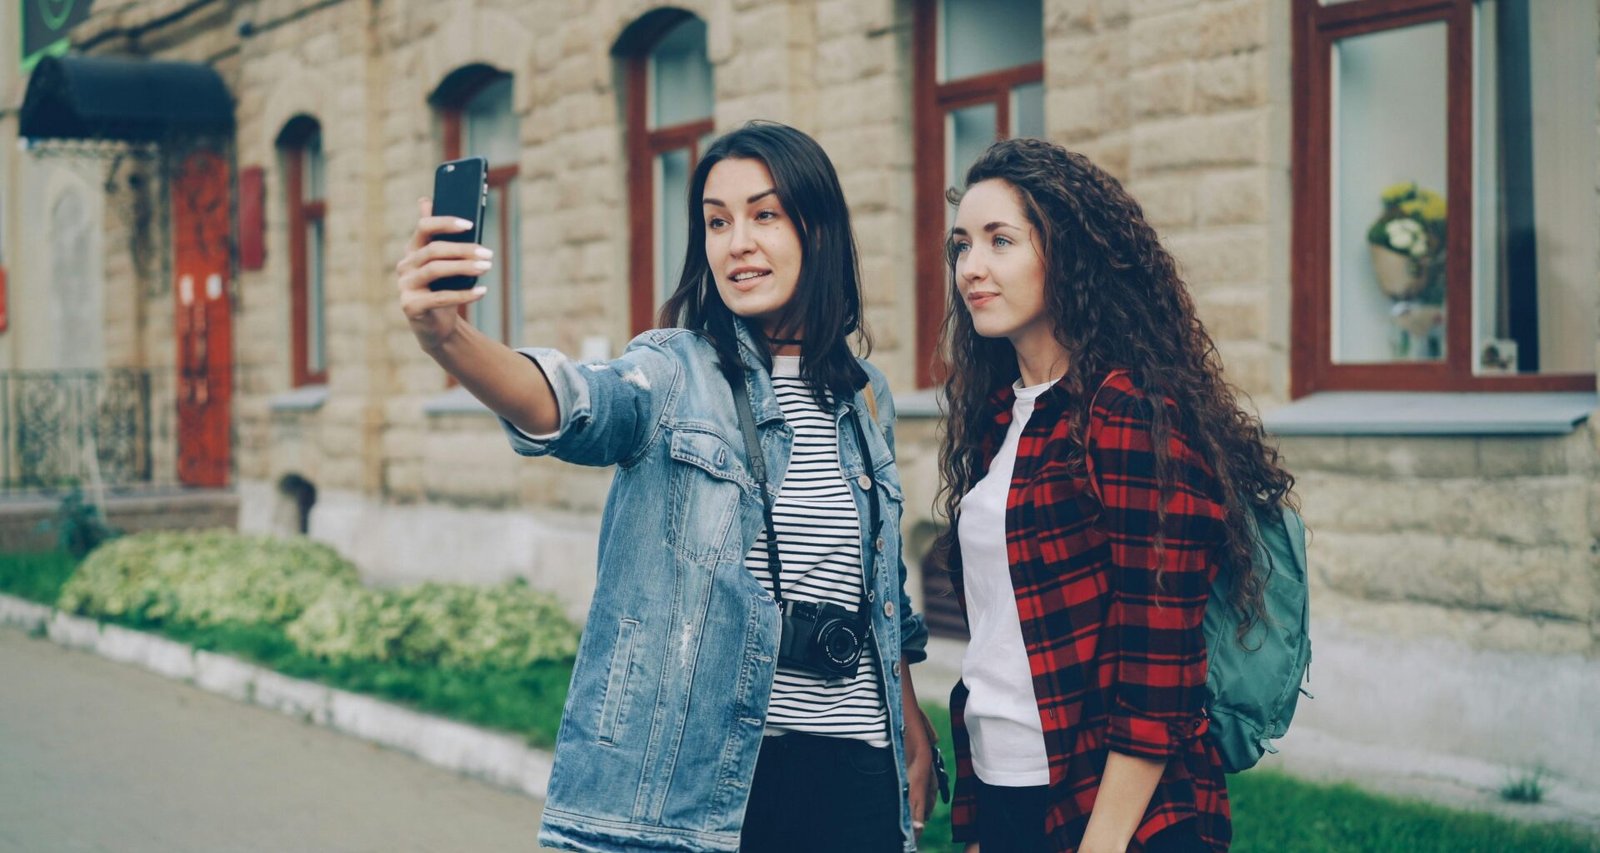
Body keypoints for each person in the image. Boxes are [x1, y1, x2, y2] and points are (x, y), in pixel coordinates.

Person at [394, 120, 938, 853]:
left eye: (764, 214)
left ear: (820, 229)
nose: (736, 241)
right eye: (717, 221)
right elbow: (574, 402)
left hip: (856, 779)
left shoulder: (864, 393)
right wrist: (449, 338)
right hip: (713, 788)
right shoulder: (673, 371)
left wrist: (907, 721)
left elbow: (876, 586)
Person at [935, 137, 1297, 853]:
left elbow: (1160, 668)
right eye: (961, 245)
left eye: (1000, 240)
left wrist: (1100, 843)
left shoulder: (1128, 411)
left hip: (1119, 817)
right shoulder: (1000, 419)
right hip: (1008, 793)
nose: (970, 267)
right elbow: (997, 646)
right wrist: (976, 823)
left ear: (1066, 254)